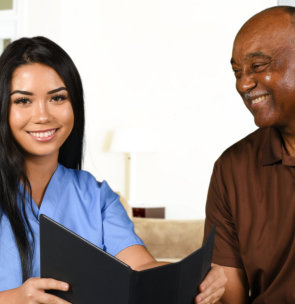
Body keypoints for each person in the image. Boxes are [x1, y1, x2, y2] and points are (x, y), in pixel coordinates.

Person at [0, 36, 225, 303]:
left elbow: (139, 271)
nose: (42, 115)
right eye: (23, 101)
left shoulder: (98, 198)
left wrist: (198, 277)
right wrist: (12, 298)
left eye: (58, 98)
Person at [203, 5, 295, 303]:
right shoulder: (232, 168)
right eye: (237, 72)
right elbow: (229, 289)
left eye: (258, 66)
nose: (243, 83)